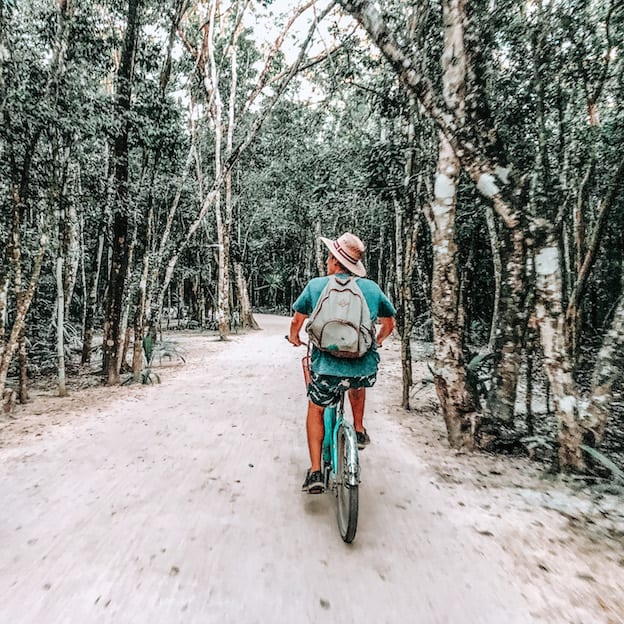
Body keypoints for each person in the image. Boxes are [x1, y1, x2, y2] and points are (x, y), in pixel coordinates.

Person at [288, 232, 396, 494]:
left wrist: (294, 338)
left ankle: (315, 472)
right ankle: (358, 429)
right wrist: (377, 342)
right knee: (357, 383)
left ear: (336, 262)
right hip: (362, 368)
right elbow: (389, 324)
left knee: (316, 407)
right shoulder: (370, 288)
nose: (327, 261)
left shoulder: (316, 286)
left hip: (326, 368)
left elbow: (296, 322)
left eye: (329, 257)